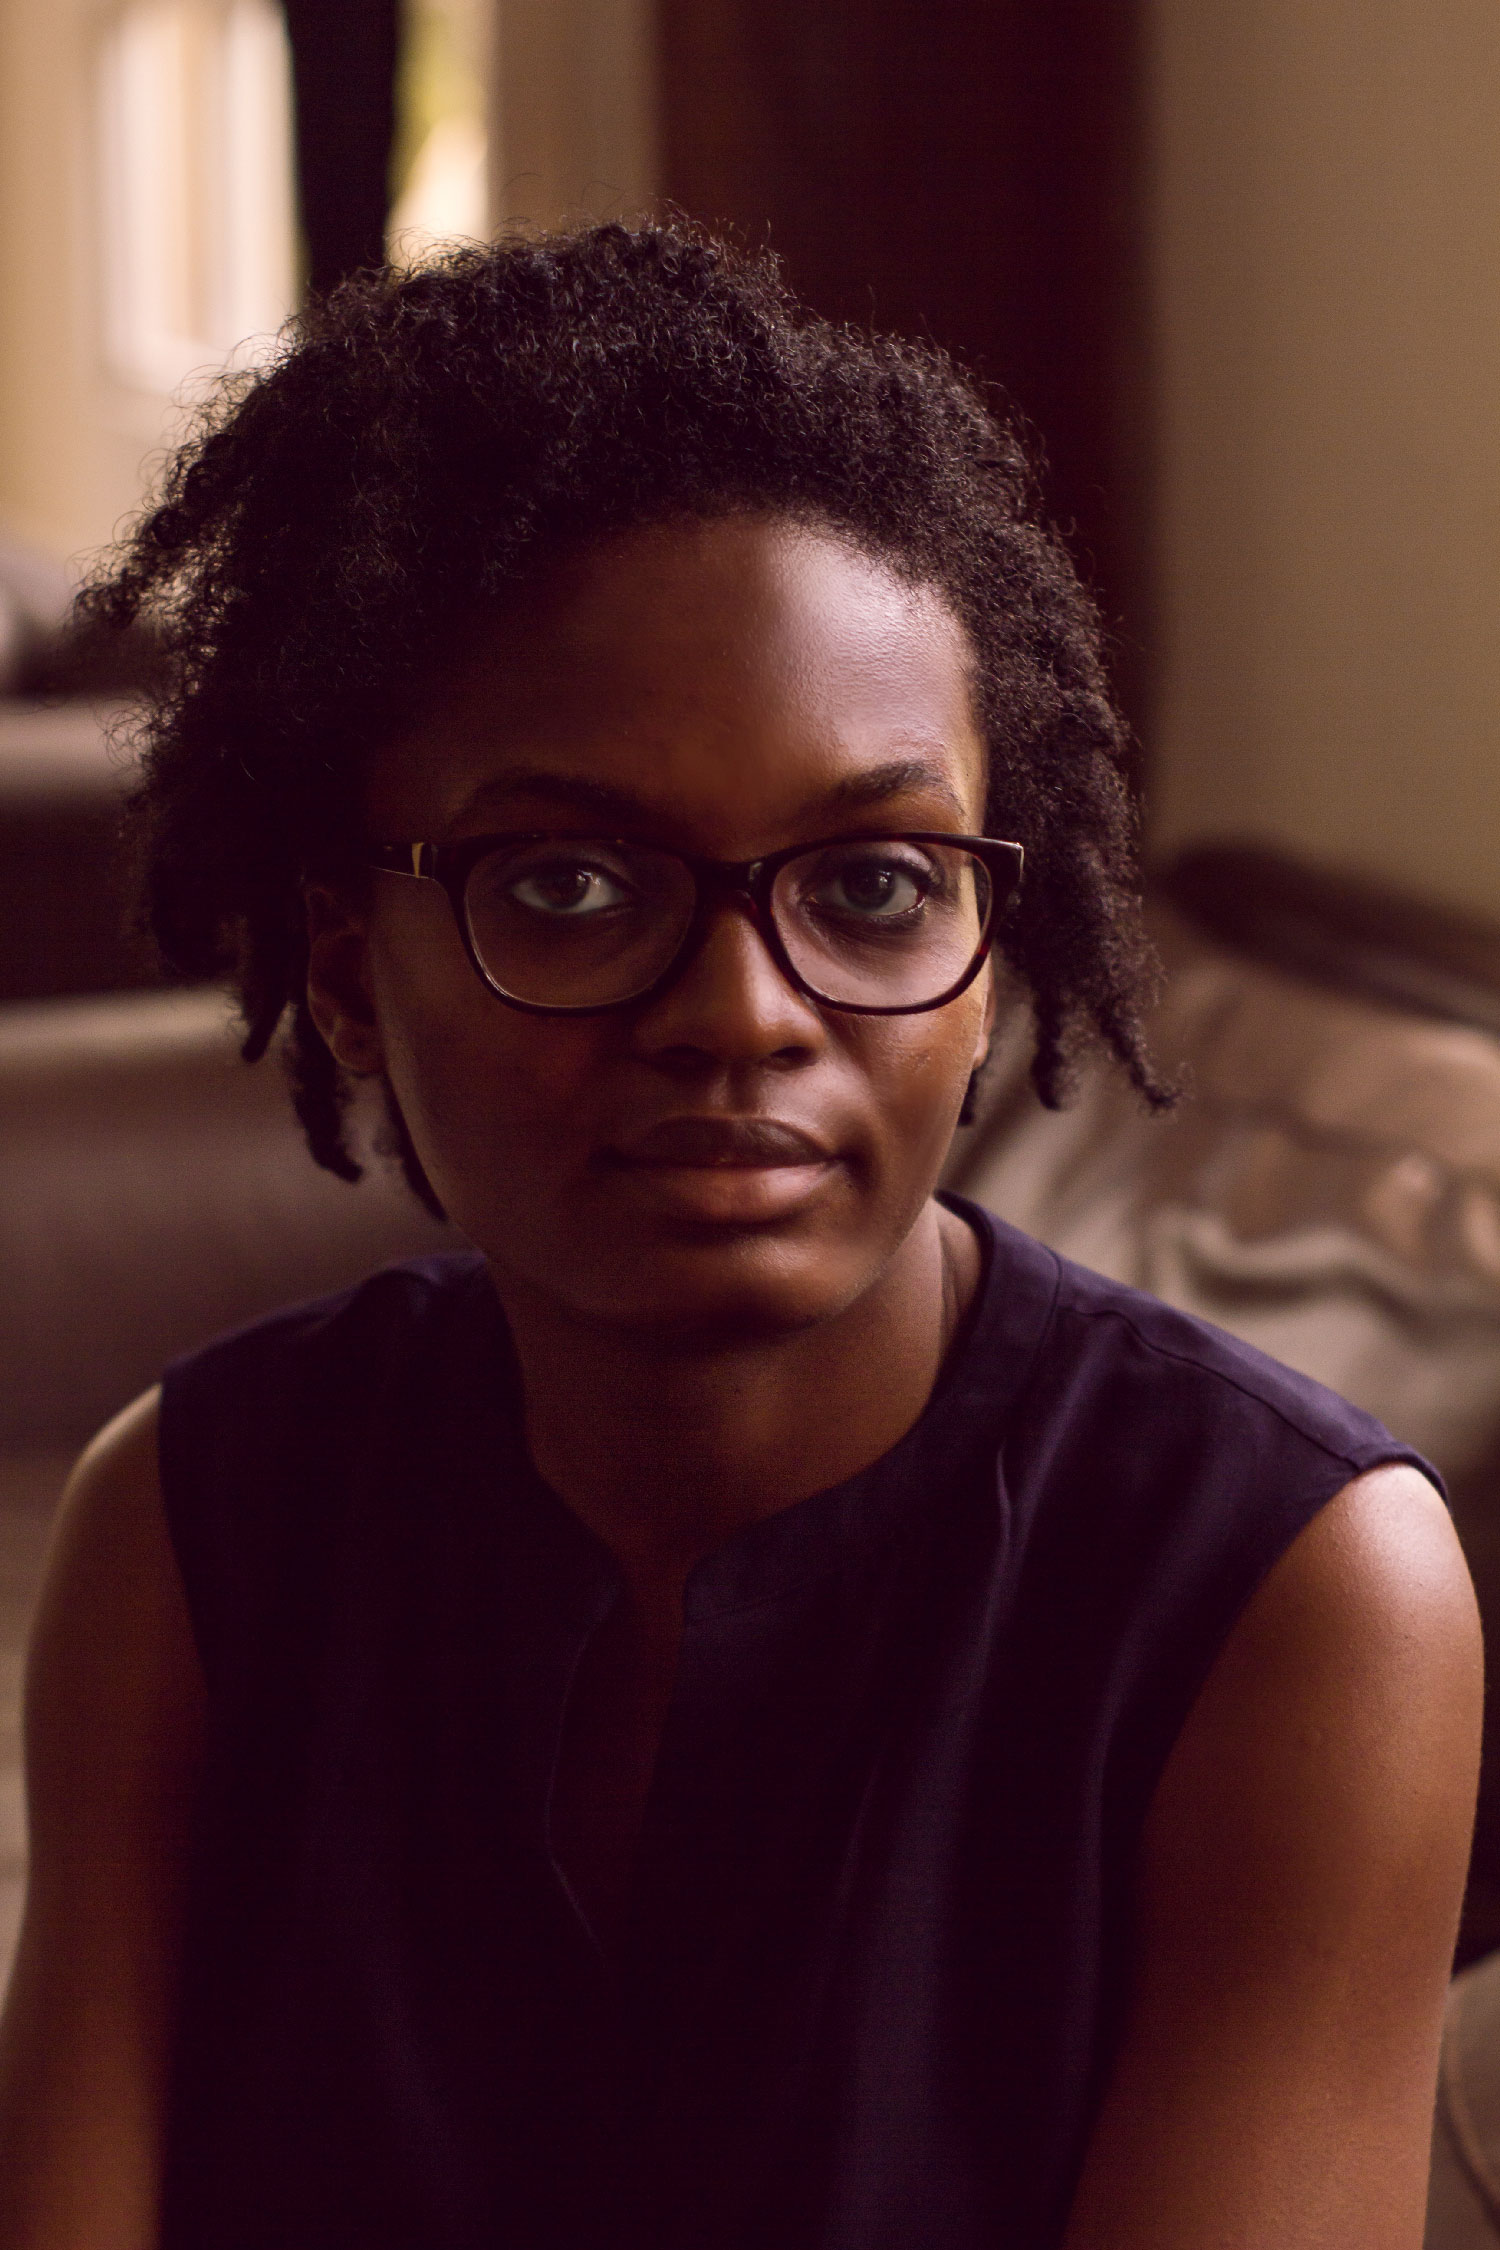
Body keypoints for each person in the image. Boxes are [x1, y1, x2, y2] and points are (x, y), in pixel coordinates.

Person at [0, 223, 1481, 2250]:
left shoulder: (1294, 1591)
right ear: (353, 971)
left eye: (872, 884)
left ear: (985, 968)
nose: (740, 1011)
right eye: (575, 884)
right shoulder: (191, 1525)